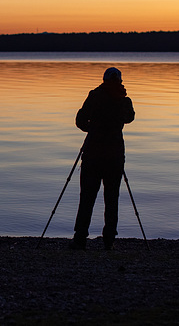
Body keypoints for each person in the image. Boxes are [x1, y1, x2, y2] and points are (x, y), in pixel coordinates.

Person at [70, 67, 135, 250]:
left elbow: (80, 120)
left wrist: (92, 128)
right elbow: (130, 118)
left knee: (87, 198)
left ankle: (80, 238)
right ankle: (109, 240)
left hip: (93, 153)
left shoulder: (94, 96)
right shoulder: (124, 99)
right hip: (114, 155)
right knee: (112, 198)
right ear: (120, 81)